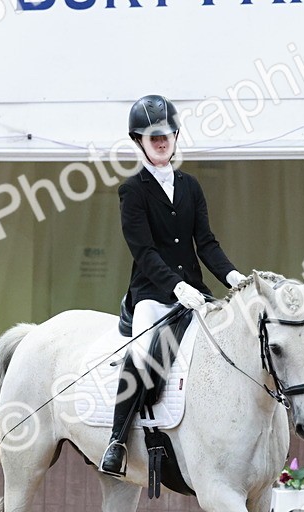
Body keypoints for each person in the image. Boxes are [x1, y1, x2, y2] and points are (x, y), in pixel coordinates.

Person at [99, 94, 244, 477]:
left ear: (176, 136)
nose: (161, 142)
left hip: (195, 293)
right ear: (139, 141)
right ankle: (117, 441)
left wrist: (234, 277)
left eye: (166, 135)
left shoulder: (190, 186)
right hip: (152, 295)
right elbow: (144, 251)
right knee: (142, 352)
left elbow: (205, 243)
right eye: (153, 137)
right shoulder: (133, 190)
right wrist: (176, 287)